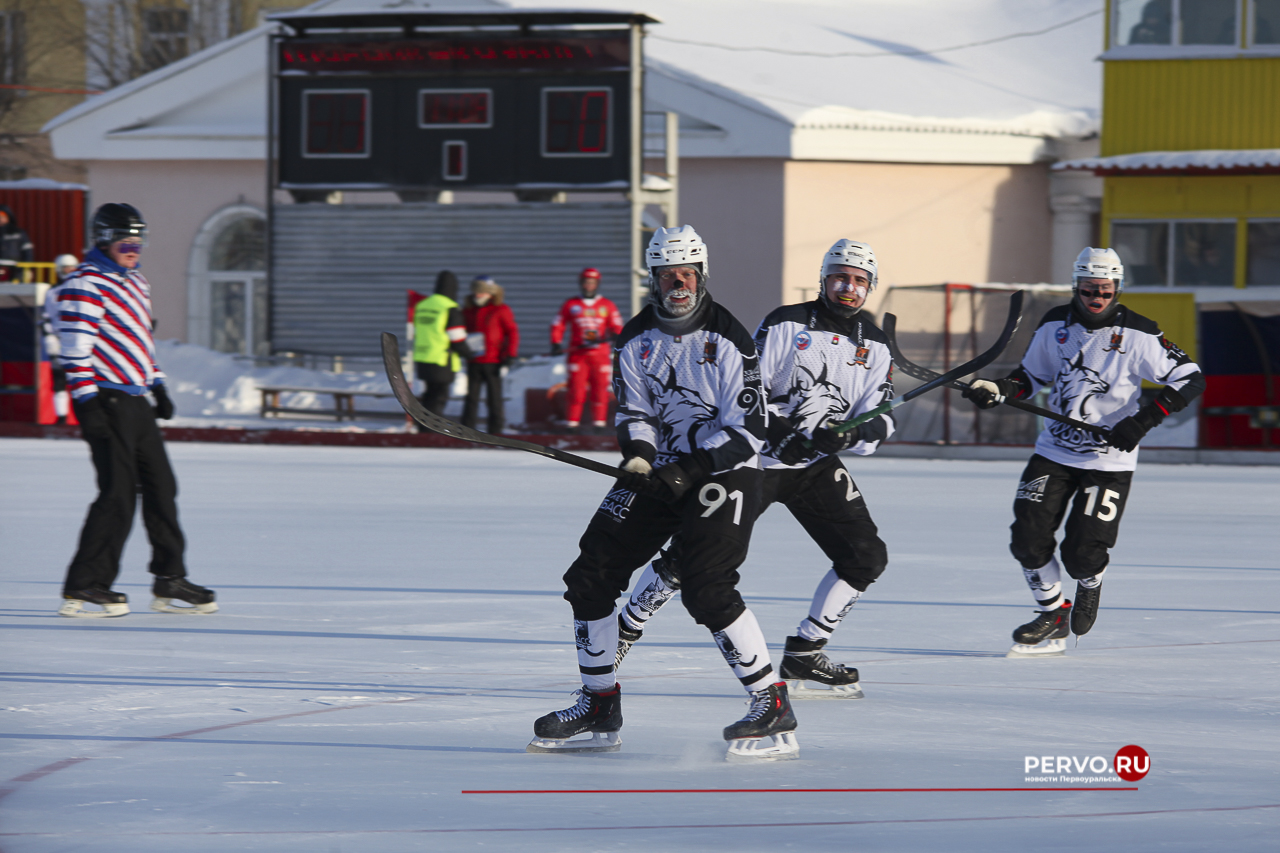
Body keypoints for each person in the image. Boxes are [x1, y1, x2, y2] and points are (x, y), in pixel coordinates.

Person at [530, 225, 798, 761]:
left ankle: (771, 702)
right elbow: (636, 412)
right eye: (667, 274)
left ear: (700, 275)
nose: (678, 282)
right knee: (591, 575)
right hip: (662, 472)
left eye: (687, 273)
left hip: (727, 472)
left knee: (706, 585)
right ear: (651, 278)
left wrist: (686, 470)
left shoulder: (729, 338)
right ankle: (599, 703)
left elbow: (747, 429)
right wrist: (638, 455)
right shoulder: (634, 339)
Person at [614, 240, 895, 700]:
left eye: (859, 281)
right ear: (823, 279)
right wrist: (779, 431)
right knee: (691, 555)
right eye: (840, 277)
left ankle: (806, 650)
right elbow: (748, 391)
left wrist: (845, 436)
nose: (848, 287)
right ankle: (629, 624)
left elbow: (880, 415)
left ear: (870, 288)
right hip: (755, 462)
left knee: (866, 557)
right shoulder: (785, 322)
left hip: (815, 466)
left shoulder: (876, 344)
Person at [963, 247, 1204, 656]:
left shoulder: (1140, 334)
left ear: (1117, 290)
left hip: (1108, 461)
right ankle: (1053, 612)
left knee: (1081, 554)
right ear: (1076, 286)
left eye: (1105, 291)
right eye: (1089, 289)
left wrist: (1142, 421)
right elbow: (1030, 376)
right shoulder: (1055, 322)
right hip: (1053, 450)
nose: (1096, 298)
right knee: (1027, 538)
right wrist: (1001, 390)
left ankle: (1089, 581)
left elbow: (1190, 378)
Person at [56, 203, 216, 618]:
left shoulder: (135, 282)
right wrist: (87, 404)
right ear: (104, 240)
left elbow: (139, 341)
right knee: (117, 494)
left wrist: (158, 383)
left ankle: (170, 577)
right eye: (126, 241)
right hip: (104, 400)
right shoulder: (85, 283)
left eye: (139, 240)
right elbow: (75, 351)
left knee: (162, 487)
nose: (134, 248)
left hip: (135, 399)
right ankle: (86, 584)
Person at [550, 267, 623, 433]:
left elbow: (617, 324)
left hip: (600, 355)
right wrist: (556, 342)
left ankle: (599, 424)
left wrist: (617, 334)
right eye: (586, 282)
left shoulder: (607, 305)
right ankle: (572, 424)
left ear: (597, 284)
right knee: (576, 390)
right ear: (581, 284)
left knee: (600, 390)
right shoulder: (571, 304)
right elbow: (558, 324)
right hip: (578, 355)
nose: (588, 286)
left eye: (592, 282)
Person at [461, 275, 519, 433]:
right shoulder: (468, 310)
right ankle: (467, 430)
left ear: (490, 294)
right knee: (471, 398)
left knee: (494, 398)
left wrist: (510, 354)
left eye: (482, 292)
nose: (478, 296)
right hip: (474, 360)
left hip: (494, 361)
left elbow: (512, 332)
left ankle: (495, 430)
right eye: (476, 292)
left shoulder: (501, 310)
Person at [412, 270, 471, 415]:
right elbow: (456, 337)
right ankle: (431, 432)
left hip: (423, 356)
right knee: (438, 398)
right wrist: (469, 353)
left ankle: (422, 428)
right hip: (441, 359)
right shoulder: (450, 307)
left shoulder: (423, 305)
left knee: (428, 395)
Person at [40, 254, 80, 424]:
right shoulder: (52, 292)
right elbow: (46, 318)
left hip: (78, 340)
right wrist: (49, 338)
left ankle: (84, 415)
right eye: (65, 268)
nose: (68, 271)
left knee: (81, 379)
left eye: (71, 267)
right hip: (59, 339)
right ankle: (62, 416)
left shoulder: (82, 289)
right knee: (59, 378)